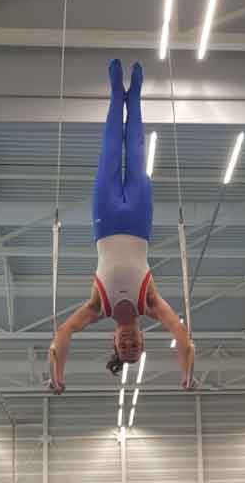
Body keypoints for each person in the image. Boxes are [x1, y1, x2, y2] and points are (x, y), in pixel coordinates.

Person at [48, 59, 195, 394]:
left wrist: (58, 374)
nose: (129, 343)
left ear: (114, 340)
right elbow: (181, 335)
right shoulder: (152, 304)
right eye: (135, 347)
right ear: (142, 339)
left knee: (111, 153)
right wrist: (186, 373)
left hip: (106, 219)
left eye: (123, 347)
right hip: (140, 220)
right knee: (138, 151)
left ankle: (117, 93)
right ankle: (136, 95)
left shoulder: (99, 307)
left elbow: (64, 334)